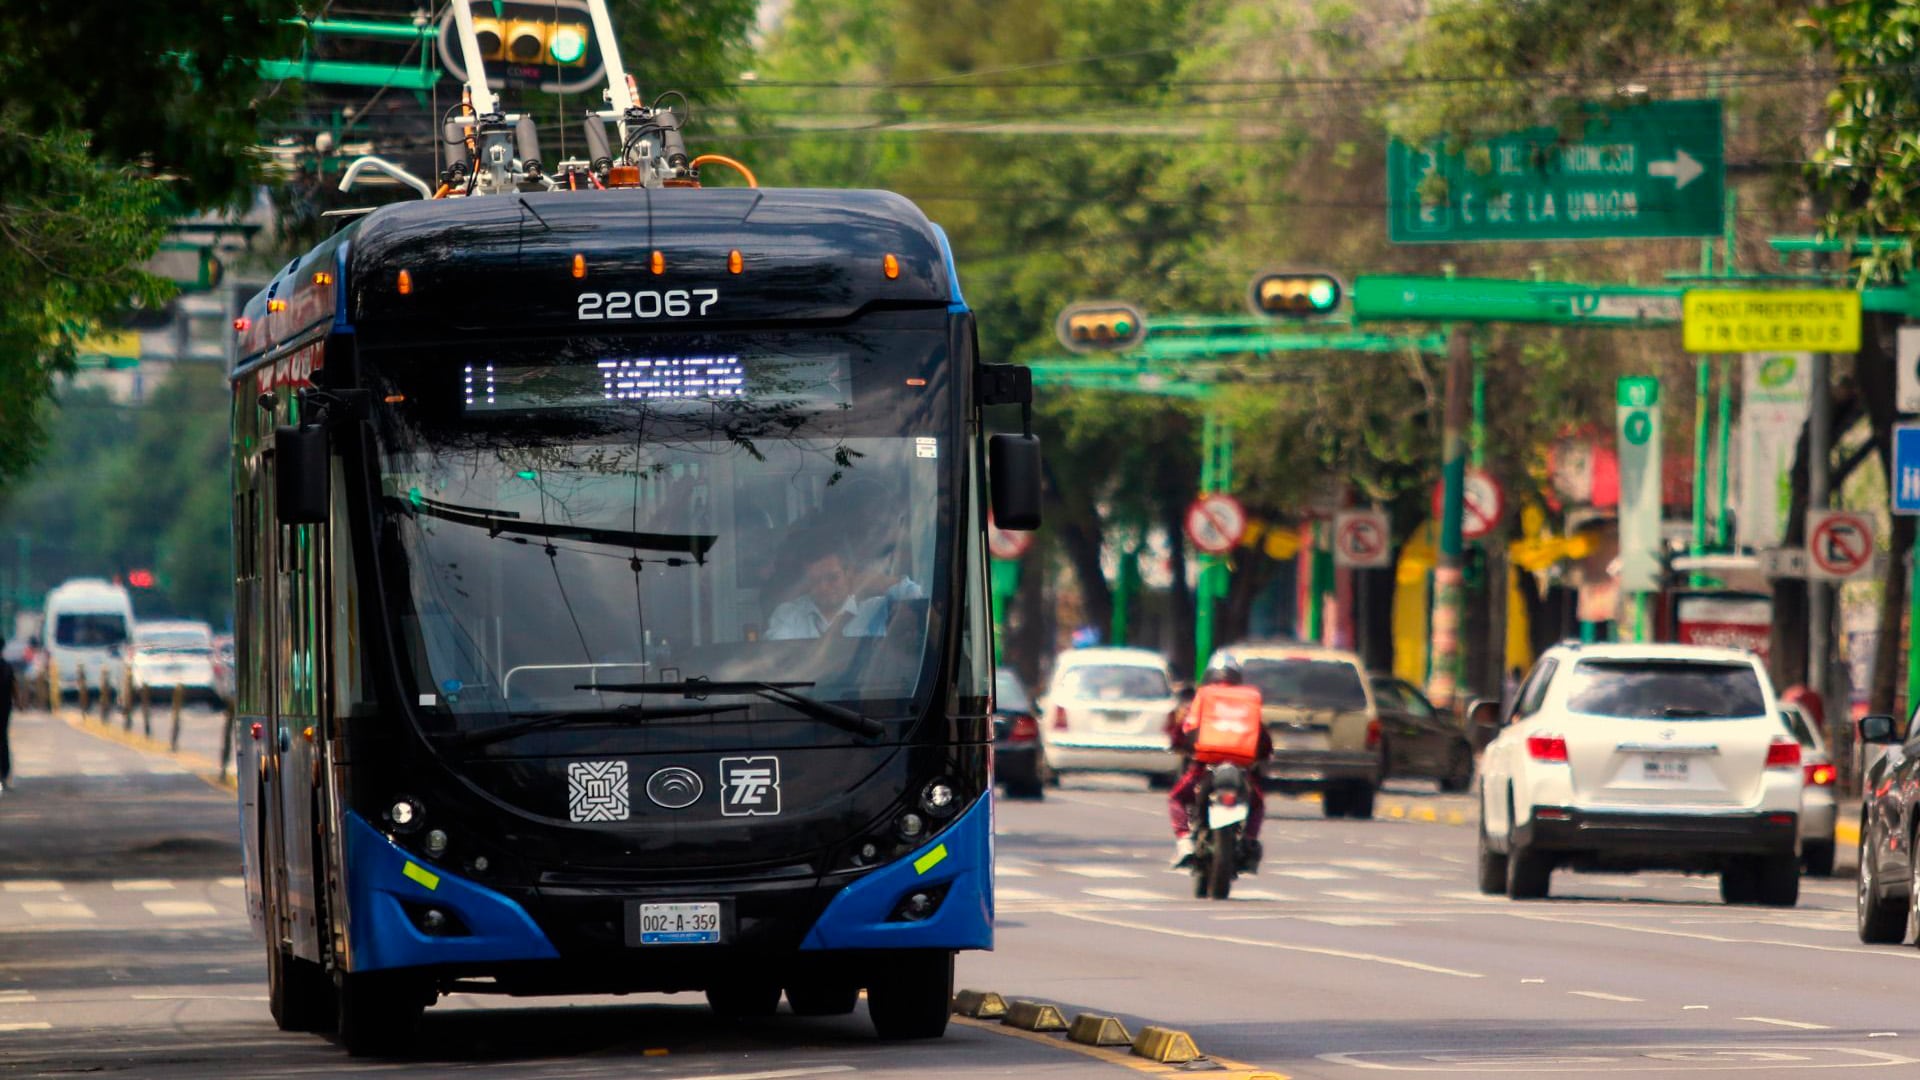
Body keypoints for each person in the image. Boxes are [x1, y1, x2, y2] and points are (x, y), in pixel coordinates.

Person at [1168, 658, 1271, 870]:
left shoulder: (1203, 697)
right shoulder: (1248, 700)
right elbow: (1263, 740)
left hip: (1204, 766)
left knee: (1176, 798)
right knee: (1258, 803)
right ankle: (1249, 840)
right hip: (1241, 766)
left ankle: (1185, 841)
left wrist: (1179, 743)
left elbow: (1185, 730)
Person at [766, 542, 863, 640]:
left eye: (832, 578)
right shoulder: (788, 615)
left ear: (849, 573)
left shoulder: (869, 611)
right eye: (814, 580)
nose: (823, 587)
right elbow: (775, 648)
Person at [0, 652, 14, 795]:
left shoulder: (6, 667)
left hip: (4, 708)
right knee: (3, 740)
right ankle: (3, 775)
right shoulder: (7, 667)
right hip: (5, 708)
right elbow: (13, 687)